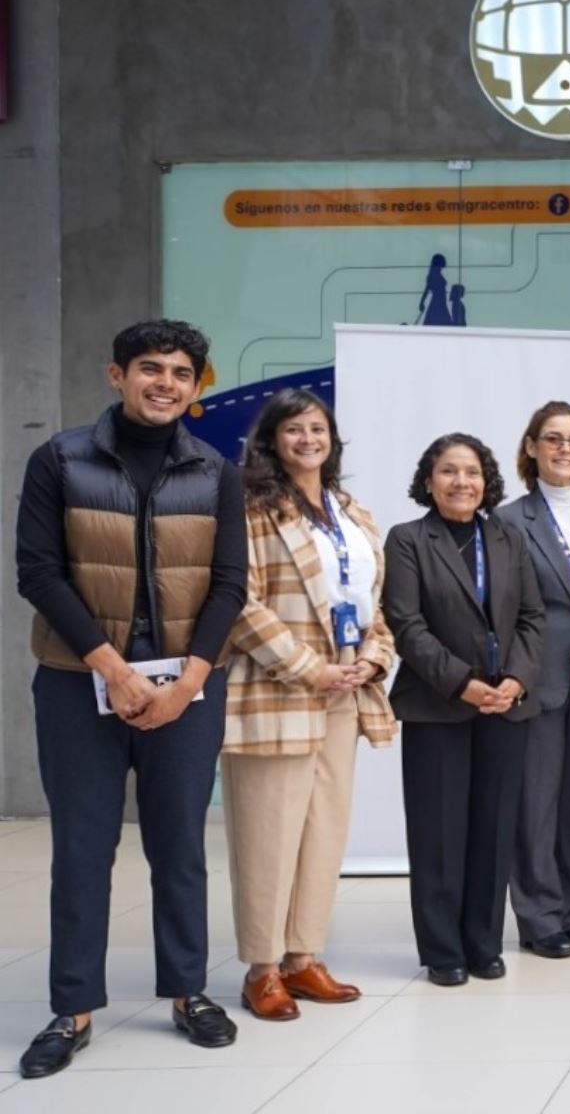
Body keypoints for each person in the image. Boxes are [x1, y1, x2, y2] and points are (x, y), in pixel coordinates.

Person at [15, 320, 249, 1078]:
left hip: (187, 688)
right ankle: (73, 1006)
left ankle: (188, 992)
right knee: (83, 849)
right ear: (116, 375)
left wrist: (190, 681)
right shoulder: (60, 459)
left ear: (195, 386)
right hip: (77, 682)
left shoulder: (217, 471)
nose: (167, 384)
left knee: (180, 847)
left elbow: (230, 585)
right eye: (151, 369)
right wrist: (113, 668)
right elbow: (39, 573)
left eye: (182, 373)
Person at [223, 389, 396, 1021]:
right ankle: (262, 967)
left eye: (317, 428)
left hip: (345, 692)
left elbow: (378, 603)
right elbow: (239, 603)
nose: (308, 439)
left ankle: (304, 958)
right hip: (279, 690)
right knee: (268, 835)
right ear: (272, 439)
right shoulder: (250, 508)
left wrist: (374, 658)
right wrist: (310, 668)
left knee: (324, 833)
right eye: (293, 429)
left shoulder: (352, 512)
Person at [383, 433, 545, 987]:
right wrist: (464, 684)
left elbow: (532, 618)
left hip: (507, 706)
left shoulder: (506, 538)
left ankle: (483, 943)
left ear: (487, 481)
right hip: (437, 705)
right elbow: (406, 625)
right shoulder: (408, 539)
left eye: (472, 472)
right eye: (448, 471)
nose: (461, 482)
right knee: (439, 832)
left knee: (494, 831)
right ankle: (443, 950)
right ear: (428, 481)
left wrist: (518, 680)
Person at [494, 402, 570, 958]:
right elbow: (501, 608)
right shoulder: (510, 521)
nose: (566, 449)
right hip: (537, 678)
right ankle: (539, 918)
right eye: (554, 439)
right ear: (532, 446)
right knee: (535, 802)